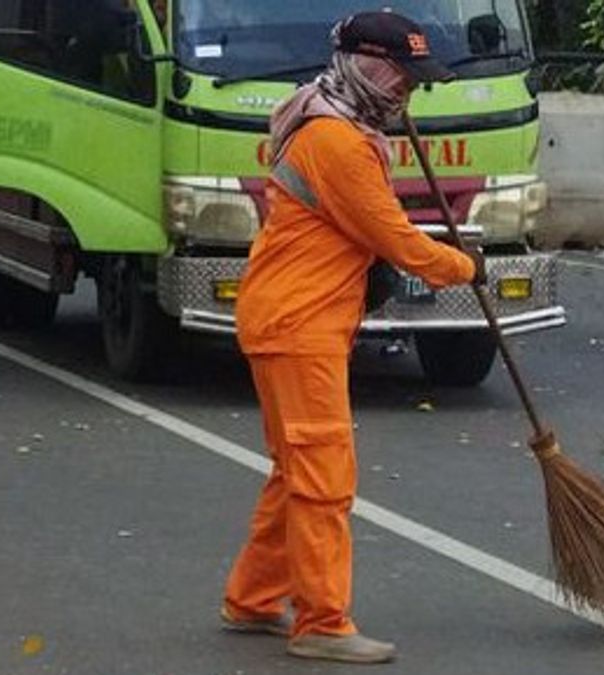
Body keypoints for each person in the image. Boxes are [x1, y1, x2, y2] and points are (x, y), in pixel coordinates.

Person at [220, 11, 484, 665]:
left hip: (291, 318)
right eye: (403, 79)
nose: (409, 94)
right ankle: (321, 621)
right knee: (323, 475)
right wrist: (463, 266)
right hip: (298, 324)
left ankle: (253, 598)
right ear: (368, 70)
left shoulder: (333, 121)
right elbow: (390, 235)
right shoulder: (336, 142)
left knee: (294, 470)